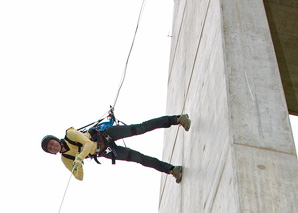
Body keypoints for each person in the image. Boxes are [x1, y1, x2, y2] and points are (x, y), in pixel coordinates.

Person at [41, 114, 191, 183]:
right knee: (138, 158)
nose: (53, 146)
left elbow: (88, 144)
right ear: (51, 152)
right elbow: (79, 178)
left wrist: (79, 158)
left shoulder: (70, 134)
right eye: (50, 148)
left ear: (55, 139)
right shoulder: (65, 158)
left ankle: (177, 119)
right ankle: (172, 170)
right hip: (105, 152)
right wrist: (77, 166)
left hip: (105, 136)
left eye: (51, 143)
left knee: (140, 128)